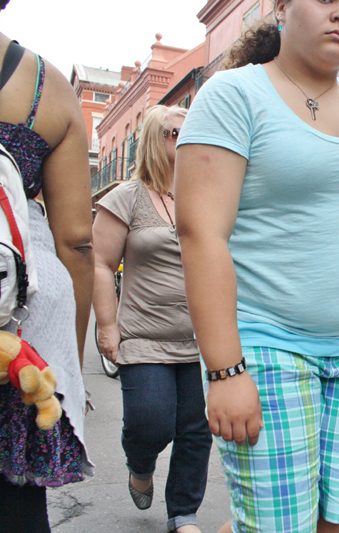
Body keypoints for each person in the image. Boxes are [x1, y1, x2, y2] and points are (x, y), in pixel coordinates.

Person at [173, 2, 339, 532]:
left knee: (326, 525)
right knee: (279, 527)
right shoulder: (234, 94)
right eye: (328, 0)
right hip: (266, 347)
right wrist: (225, 371)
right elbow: (200, 234)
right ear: (282, 7)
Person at [93, 106, 212, 533]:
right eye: (175, 132)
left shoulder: (203, 197)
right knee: (150, 421)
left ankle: (183, 513)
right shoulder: (126, 197)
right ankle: (140, 465)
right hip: (144, 337)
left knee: (197, 431)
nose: (185, 138)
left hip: (201, 338)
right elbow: (102, 265)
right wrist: (108, 326)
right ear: (153, 140)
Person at [0, 16, 95, 533]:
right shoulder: (47, 86)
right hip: (22, 327)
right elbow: (77, 240)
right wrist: (68, 369)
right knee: (16, 501)